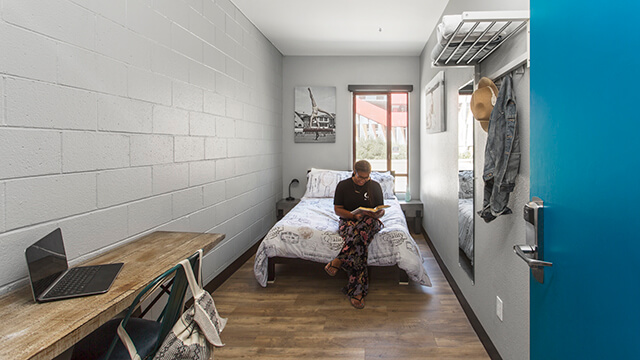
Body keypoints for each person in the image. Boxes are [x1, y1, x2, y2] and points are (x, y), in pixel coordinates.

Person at [324, 160, 385, 309]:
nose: (362, 180)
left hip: (370, 222)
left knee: (363, 229)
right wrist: (354, 216)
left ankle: (339, 259)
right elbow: (338, 209)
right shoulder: (343, 186)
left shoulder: (375, 186)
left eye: (366, 178)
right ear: (354, 171)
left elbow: (381, 209)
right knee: (359, 245)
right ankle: (357, 292)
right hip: (349, 220)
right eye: (360, 177)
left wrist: (377, 213)